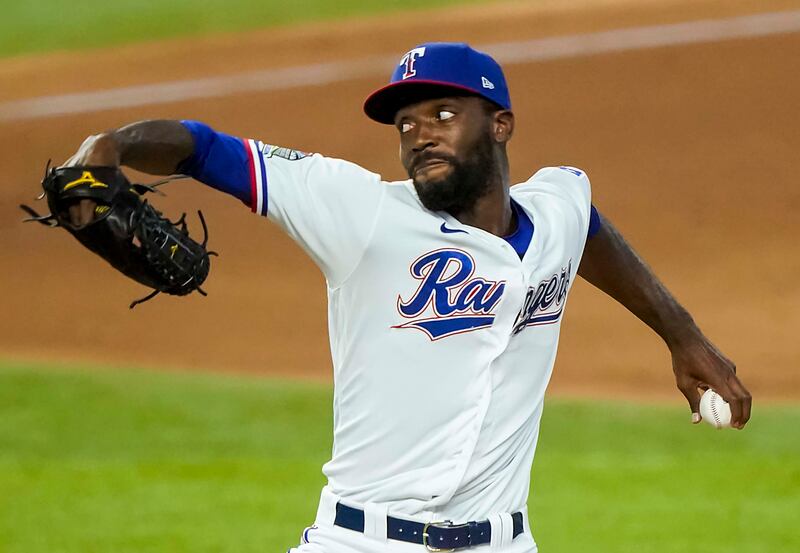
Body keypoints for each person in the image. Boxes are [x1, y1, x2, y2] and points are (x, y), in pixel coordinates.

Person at [64, 42, 751, 553]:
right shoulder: (360, 214)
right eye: (405, 123)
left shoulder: (556, 207)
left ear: (500, 124)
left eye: (443, 114)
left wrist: (681, 334)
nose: (419, 132)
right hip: (362, 541)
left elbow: (586, 225)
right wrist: (114, 144)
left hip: (503, 542)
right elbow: (208, 150)